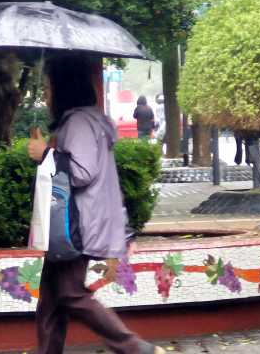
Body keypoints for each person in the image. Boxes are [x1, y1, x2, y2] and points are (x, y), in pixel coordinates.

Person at [27, 56, 163, 354]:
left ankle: (136, 348)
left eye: (49, 88)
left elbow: (82, 172)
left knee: (69, 293)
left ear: (64, 88)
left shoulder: (78, 122)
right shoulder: (82, 121)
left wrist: (45, 154)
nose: (46, 94)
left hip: (75, 225)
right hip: (71, 224)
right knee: (51, 300)